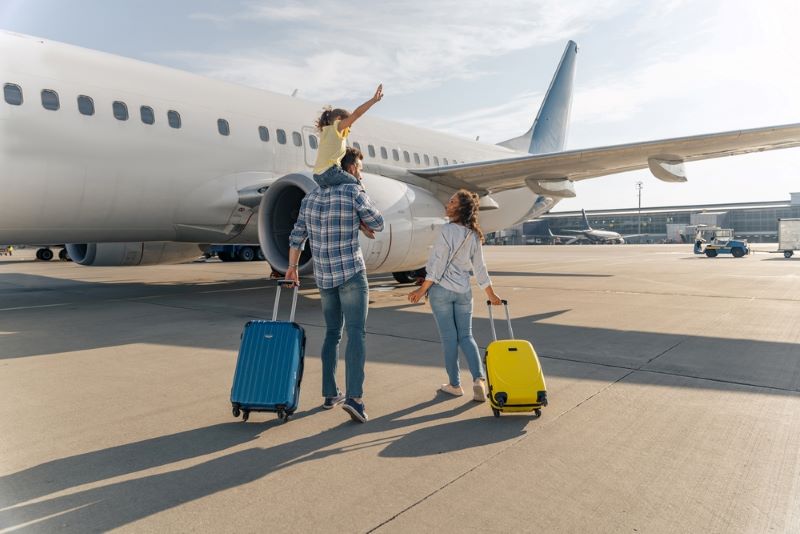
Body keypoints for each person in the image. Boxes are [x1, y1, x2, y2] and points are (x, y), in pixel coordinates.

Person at [286, 146, 384, 423]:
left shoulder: (312, 197)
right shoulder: (353, 191)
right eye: (360, 169)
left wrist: (292, 268)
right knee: (356, 334)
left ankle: (330, 393)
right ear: (351, 168)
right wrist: (361, 193)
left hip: (324, 277)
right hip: (351, 273)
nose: (360, 173)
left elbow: (296, 237)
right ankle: (355, 398)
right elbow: (379, 221)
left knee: (332, 334)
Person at [407, 190, 502, 402]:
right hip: (463, 292)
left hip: (441, 292)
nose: (447, 205)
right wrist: (491, 294)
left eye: (451, 202)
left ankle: (455, 385)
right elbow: (480, 268)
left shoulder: (446, 231)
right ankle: (479, 380)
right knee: (467, 336)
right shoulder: (473, 234)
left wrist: (421, 290)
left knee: (449, 339)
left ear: (459, 208)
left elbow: (438, 264)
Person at [312, 84, 383, 189]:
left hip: (317, 175)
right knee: (358, 185)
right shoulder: (338, 126)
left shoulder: (326, 131)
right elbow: (357, 114)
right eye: (349, 124)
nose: (349, 128)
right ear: (339, 119)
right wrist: (373, 100)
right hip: (330, 172)